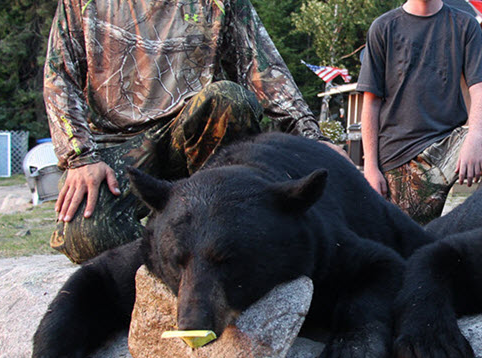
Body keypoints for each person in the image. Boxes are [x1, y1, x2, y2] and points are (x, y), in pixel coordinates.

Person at [44, 0, 344, 264]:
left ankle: (220, 223)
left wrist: (313, 140)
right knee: (87, 236)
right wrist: (80, 157)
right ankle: (167, 252)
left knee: (230, 99)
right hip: (118, 144)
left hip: (194, 132)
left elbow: (265, 73)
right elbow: (58, 76)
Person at [356, 0, 482, 223]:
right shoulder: (383, 27)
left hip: (450, 145)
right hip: (400, 157)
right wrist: (370, 167)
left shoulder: (464, 24)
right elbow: (370, 103)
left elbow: (480, 90)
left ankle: (481, 230)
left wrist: (474, 139)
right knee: (411, 243)